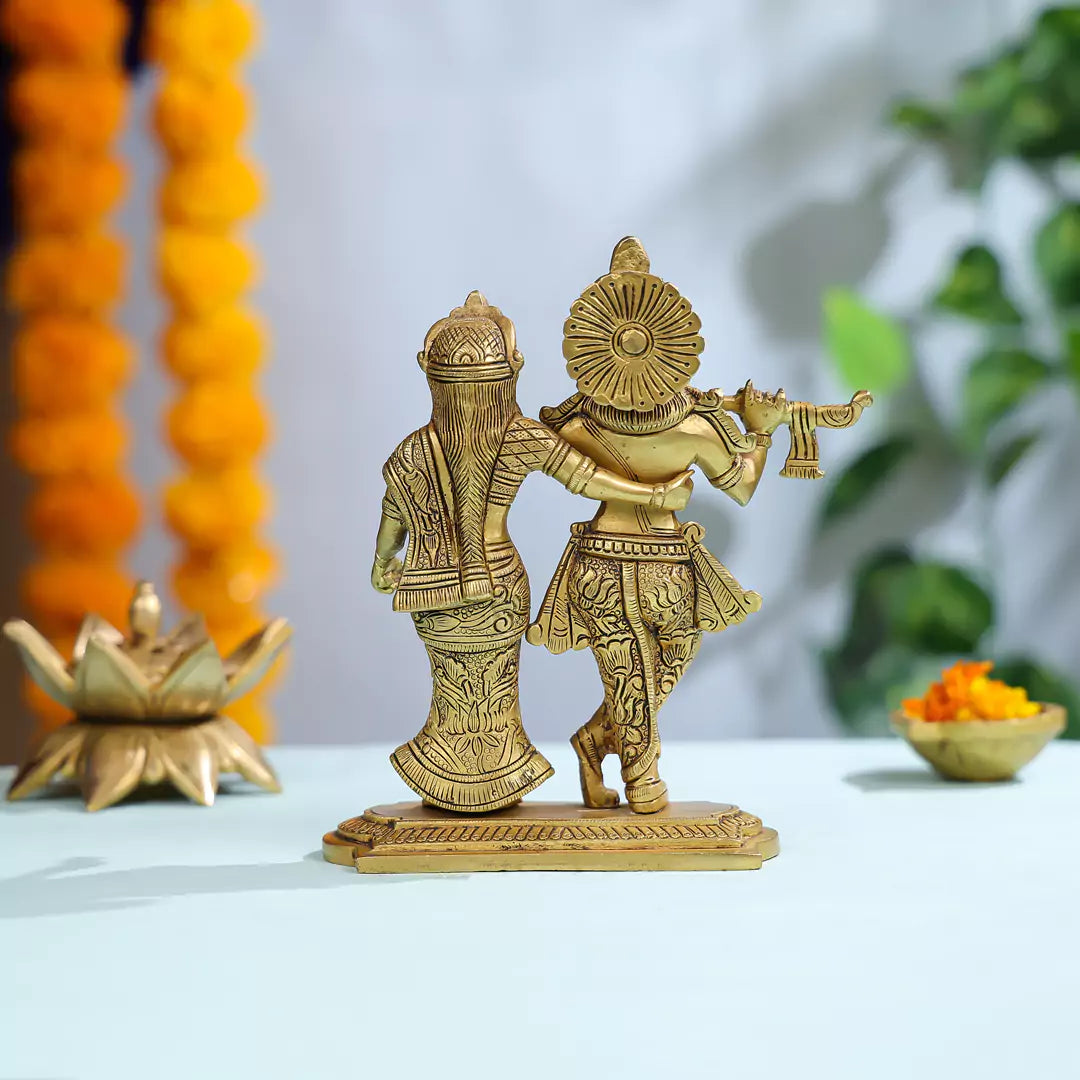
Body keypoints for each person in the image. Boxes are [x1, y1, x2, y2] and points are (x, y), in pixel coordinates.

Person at [371, 289, 692, 813]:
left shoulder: (411, 451)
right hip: (498, 585)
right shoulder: (519, 435)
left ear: (430, 375)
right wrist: (655, 494)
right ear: (511, 373)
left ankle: (446, 774)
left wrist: (383, 565)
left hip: (429, 593)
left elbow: (393, 523)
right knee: (492, 685)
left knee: (454, 684)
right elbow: (586, 479)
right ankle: (495, 773)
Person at [527, 238, 786, 814]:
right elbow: (742, 487)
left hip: (616, 559)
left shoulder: (573, 425)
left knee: (647, 664)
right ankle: (644, 782)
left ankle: (598, 740)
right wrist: (762, 432)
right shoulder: (694, 428)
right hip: (649, 558)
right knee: (634, 667)